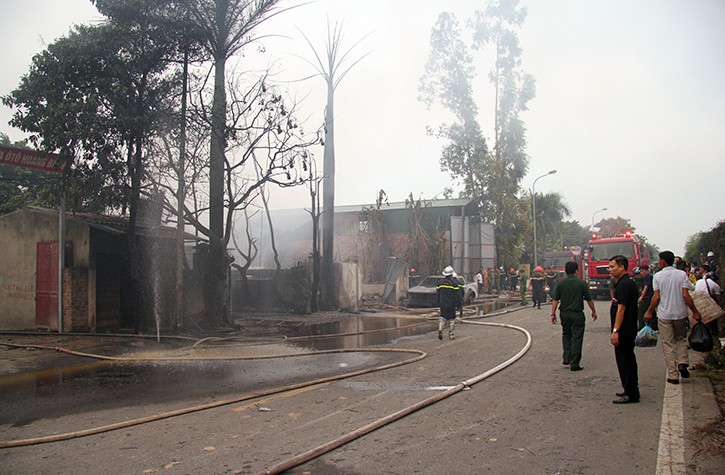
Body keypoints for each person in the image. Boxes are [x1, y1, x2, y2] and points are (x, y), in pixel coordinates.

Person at [644, 251, 701, 385]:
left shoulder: (657, 276)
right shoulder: (681, 275)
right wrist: (695, 311)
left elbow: (656, 296)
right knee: (681, 339)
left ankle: (673, 375)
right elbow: (686, 295)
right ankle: (682, 363)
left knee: (668, 343)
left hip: (664, 315)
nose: (658, 263)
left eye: (659, 260)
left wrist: (649, 311)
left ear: (663, 261)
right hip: (680, 314)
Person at [550, 261, 598, 371]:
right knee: (577, 337)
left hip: (564, 314)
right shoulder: (581, 283)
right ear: (576, 270)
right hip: (577, 314)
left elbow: (555, 300)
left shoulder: (561, 283)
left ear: (566, 271)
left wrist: (553, 314)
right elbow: (589, 299)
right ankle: (575, 363)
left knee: (566, 334)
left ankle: (567, 357)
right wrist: (593, 311)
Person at [609, 255, 640, 404]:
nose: (610, 270)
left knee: (625, 361)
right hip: (627, 328)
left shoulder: (624, 285)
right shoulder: (625, 283)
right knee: (626, 360)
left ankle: (631, 393)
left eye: (612, 267)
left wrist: (616, 330)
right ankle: (629, 389)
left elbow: (621, 309)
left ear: (622, 267)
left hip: (624, 330)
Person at [694, 265, 722, 347]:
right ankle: (713, 339)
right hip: (709, 306)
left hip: (699, 305)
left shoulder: (699, 282)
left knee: (702, 323)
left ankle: (703, 339)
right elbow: (718, 298)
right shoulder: (714, 284)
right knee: (713, 324)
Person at [436, 266, 463, 340]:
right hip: (451, 304)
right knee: (452, 319)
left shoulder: (440, 283)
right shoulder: (454, 283)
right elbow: (457, 296)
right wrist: (459, 305)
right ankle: (451, 334)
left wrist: (439, 303)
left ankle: (440, 329)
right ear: (451, 274)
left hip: (442, 304)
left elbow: (438, 294)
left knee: (442, 317)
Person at [637, 265, 656, 331]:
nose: (641, 273)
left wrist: (641, 297)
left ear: (646, 270)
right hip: (649, 297)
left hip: (648, 297)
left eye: (642, 271)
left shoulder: (648, 277)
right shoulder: (646, 277)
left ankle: (642, 327)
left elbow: (646, 287)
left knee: (642, 311)